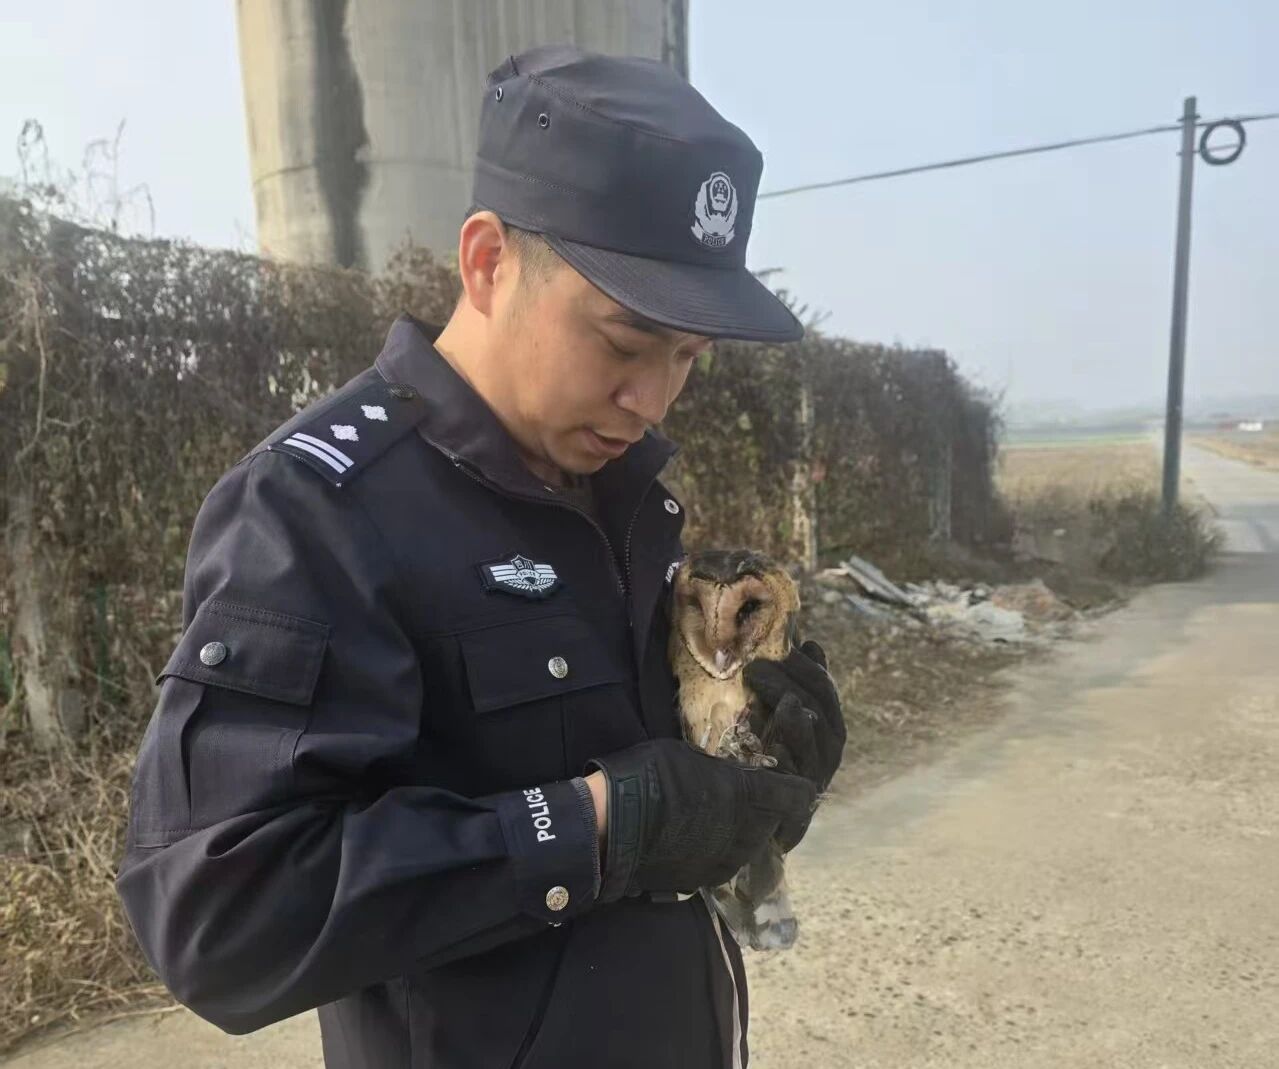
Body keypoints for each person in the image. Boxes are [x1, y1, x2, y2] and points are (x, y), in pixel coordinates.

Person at [115, 43, 846, 1069]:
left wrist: (748, 774)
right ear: (488, 261)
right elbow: (219, 914)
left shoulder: (625, 492)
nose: (650, 401)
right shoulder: (319, 510)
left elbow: (639, 770)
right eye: (622, 342)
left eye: (686, 357)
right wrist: (601, 826)